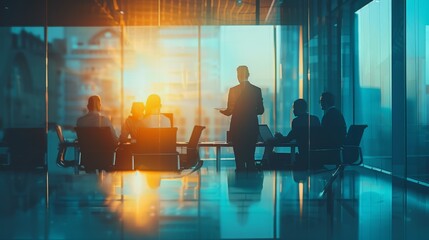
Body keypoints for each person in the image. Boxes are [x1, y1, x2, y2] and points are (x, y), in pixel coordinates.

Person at [219, 65, 264, 172]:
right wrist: (250, 111)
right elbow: (261, 111)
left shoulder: (233, 90)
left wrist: (222, 111)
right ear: (248, 75)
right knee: (250, 157)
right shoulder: (256, 90)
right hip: (251, 127)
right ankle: (251, 184)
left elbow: (229, 111)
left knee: (239, 159)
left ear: (238, 75)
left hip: (237, 128)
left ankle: (239, 184)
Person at [261, 99, 320, 169]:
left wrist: (280, 137)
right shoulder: (315, 119)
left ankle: (264, 164)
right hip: (316, 156)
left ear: (298, 108)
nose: (293, 110)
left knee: (273, 155)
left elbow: (288, 139)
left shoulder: (297, 121)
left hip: (303, 157)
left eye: (294, 108)